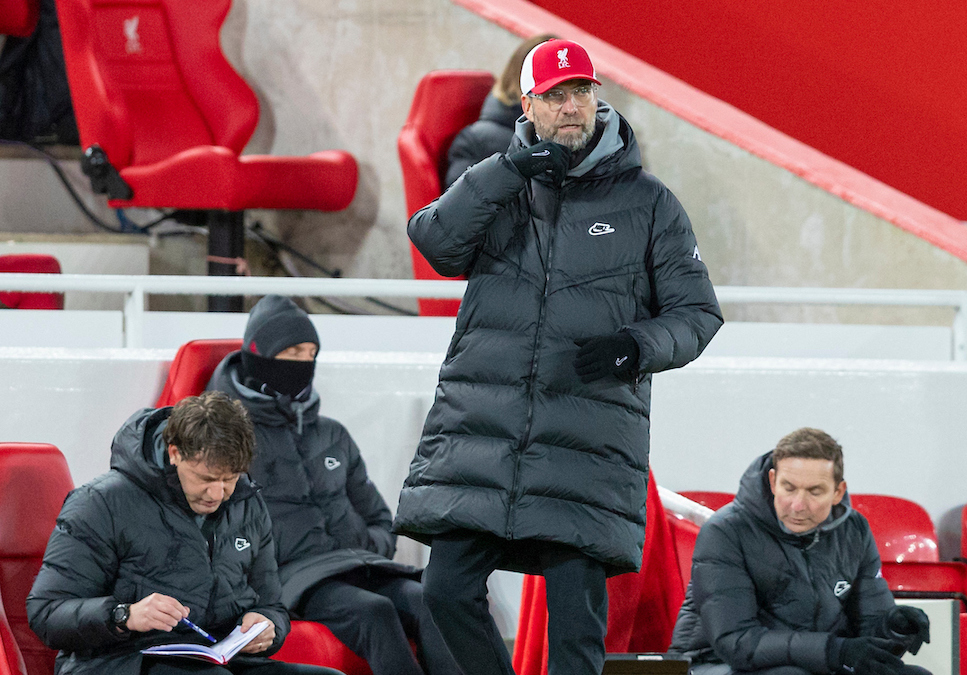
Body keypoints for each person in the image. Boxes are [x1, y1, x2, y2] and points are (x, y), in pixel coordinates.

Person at [395, 38, 724, 675]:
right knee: (444, 593)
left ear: (597, 98)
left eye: (582, 93)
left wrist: (637, 347)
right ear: (528, 105)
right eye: (556, 96)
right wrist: (507, 170)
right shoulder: (498, 182)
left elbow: (698, 313)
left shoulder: (649, 203)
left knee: (576, 635)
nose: (572, 107)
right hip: (484, 435)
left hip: (586, 442)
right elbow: (435, 243)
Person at [207, 294, 461, 675]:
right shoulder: (231, 438)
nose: (305, 363)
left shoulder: (332, 433)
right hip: (295, 576)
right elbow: (219, 527)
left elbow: (379, 515)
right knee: (374, 612)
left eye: (311, 353)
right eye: (293, 351)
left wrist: (365, 542)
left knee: (428, 600)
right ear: (259, 355)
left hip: (360, 563)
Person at [26, 392, 342, 675]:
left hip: (219, 660)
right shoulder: (101, 503)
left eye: (230, 478)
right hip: (119, 661)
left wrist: (268, 626)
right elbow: (46, 613)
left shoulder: (247, 502)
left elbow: (271, 603)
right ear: (175, 452)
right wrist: (125, 615)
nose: (218, 493)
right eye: (206, 478)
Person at [668, 428, 933, 675]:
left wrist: (894, 627)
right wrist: (836, 650)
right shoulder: (726, 531)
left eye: (814, 492)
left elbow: (868, 634)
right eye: (788, 488)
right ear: (773, 481)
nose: (797, 505)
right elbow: (736, 642)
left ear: (838, 491)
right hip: (714, 663)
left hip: (813, 662)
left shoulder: (855, 530)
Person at [442, 33, 556, 188]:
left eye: (579, 90)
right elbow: (458, 207)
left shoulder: (576, 135)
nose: (569, 104)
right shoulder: (474, 142)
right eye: (555, 91)